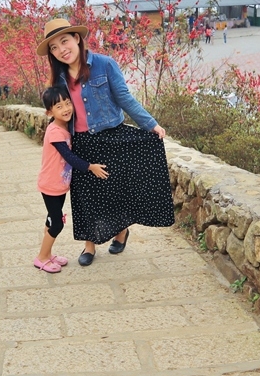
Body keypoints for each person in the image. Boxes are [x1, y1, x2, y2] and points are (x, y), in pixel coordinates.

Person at [38, 18, 175, 267]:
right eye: (54, 47)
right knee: (84, 196)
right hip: (81, 142)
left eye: (64, 41)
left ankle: (121, 232)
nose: (61, 50)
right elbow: (57, 111)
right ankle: (89, 244)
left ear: (77, 38)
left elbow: (124, 98)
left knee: (117, 191)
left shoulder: (104, 64)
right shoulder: (59, 77)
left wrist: (151, 125)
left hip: (112, 138)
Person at [34, 86, 108, 273]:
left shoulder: (64, 126)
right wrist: (90, 167)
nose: (66, 109)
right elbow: (69, 156)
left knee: (52, 219)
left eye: (68, 103)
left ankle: (48, 253)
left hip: (58, 185)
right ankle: (41, 258)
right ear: (49, 112)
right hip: (50, 185)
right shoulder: (55, 132)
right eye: (59, 106)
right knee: (57, 223)